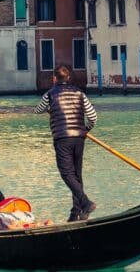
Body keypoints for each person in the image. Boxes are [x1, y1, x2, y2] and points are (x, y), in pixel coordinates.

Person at [35, 65, 98, 222]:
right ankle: (76, 213)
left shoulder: (50, 94)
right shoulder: (80, 93)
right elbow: (93, 117)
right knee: (76, 175)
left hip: (62, 138)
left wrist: (50, 109)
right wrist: (86, 129)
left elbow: (37, 110)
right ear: (68, 78)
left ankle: (85, 203)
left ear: (54, 79)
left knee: (67, 174)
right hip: (79, 137)